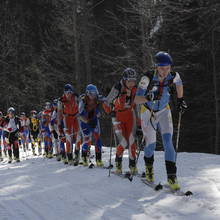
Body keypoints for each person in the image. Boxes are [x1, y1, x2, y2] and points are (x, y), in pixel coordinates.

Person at [134, 51, 187, 190]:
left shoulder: (173, 76)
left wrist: (181, 100)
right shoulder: (147, 78)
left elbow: (179, 84)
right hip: (148, 112)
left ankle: (171, 177)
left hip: (164, 111)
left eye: (168, 67)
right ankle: (149, 170)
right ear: (157, 67)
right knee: (150, 145)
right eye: (162, 68)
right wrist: (148, 97)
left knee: (168, 142)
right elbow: (136, 99)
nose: (165, 71)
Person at [103, 68, 138, 175]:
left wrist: (140, 124)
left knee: (132, 142)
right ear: (124, 80)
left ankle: (132, 166)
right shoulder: (117, 88)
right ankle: (118, 164)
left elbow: (139, 103)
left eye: (133, 80)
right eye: (129, 81)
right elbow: (106, 103)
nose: (132, 83)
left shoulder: (135, 89)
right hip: (117, 116)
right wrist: (110, 112)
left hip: (129, 115)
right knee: (123, 142)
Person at [78, 84, 104, 167]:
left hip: (94, 121)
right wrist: (88, 121)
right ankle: (84, 157)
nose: (94, 95)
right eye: (92, 93)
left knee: (97, 139)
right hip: (85, 123)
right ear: (87, 93)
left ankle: (99, 159)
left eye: (95, 93)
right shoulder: (83, 101)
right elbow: (79, 115)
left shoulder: (97, 99)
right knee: (87, 139)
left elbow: (106, 100)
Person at [57, 84, 81, 165]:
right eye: (67, 92)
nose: (69, 94)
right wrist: (60, 128)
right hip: (67, 118)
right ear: (64, 92)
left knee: (78, 136)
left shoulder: (76, 97)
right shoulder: (61, 100)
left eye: (70, 92)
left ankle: (77, 154)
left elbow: (82, 107)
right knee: (68, 138)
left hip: (76, 117)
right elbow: (59, 114)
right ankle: (69, 157)